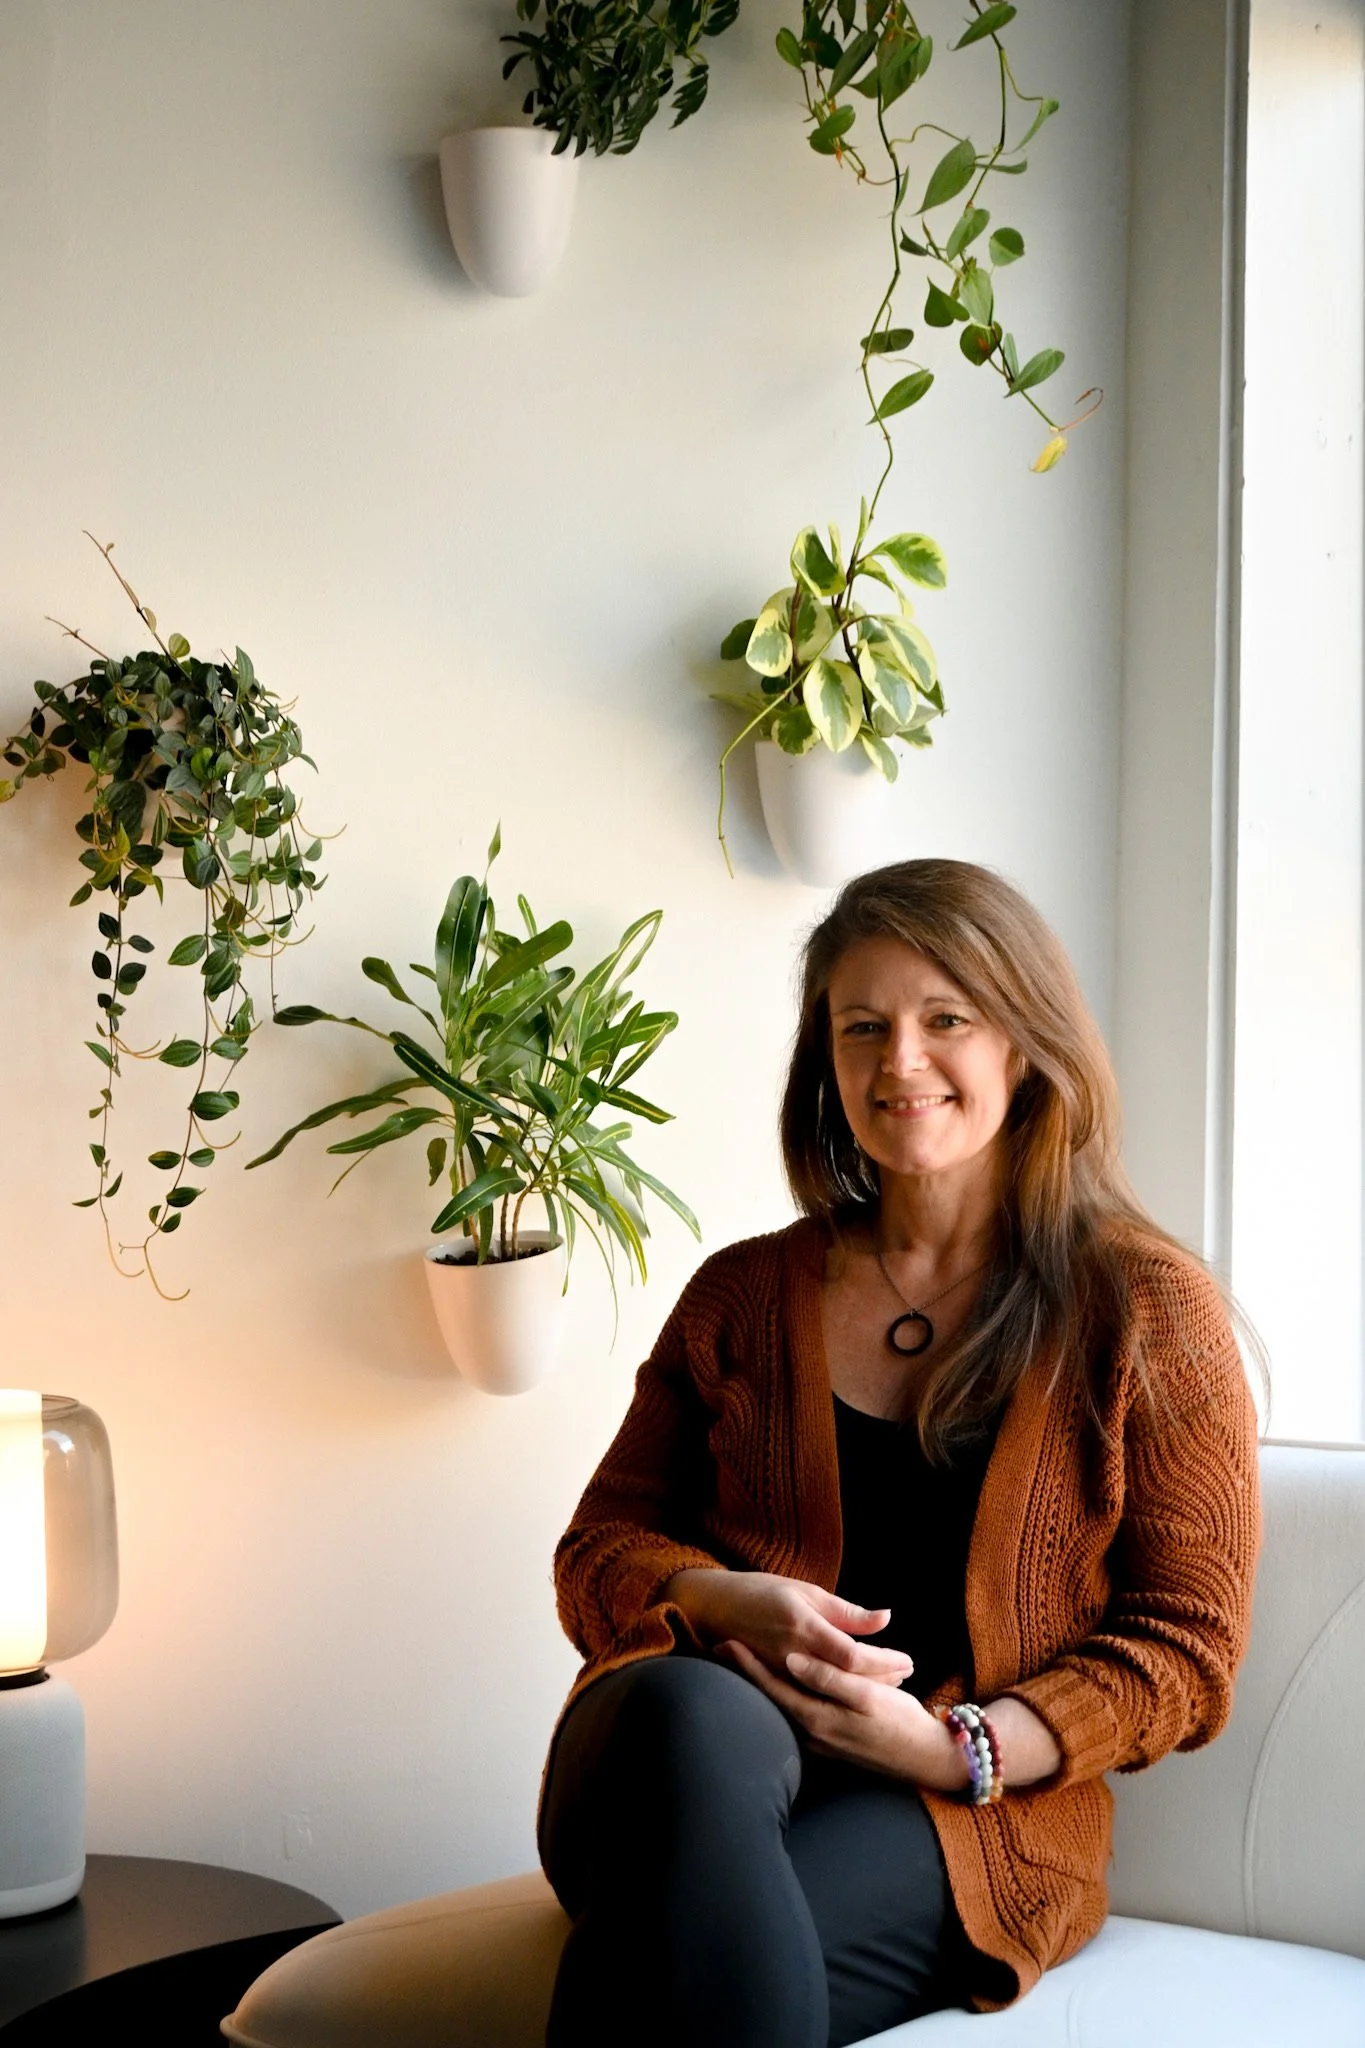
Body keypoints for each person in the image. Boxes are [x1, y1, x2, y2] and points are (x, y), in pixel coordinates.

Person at [537, 859, 1262, 2048]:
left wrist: (952, 1742)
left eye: (946, 1020)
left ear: (1025, 1045)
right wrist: (722, 1597)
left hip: (960, 1812)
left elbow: (1187, 1644)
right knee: (685, 1715)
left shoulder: (1145, 1309)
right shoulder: (741, 1294)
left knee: (668, 1965)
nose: (899, 1062)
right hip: (669, 1772)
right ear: (825, 1056)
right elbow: (596, 1548)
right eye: (861, 1026)